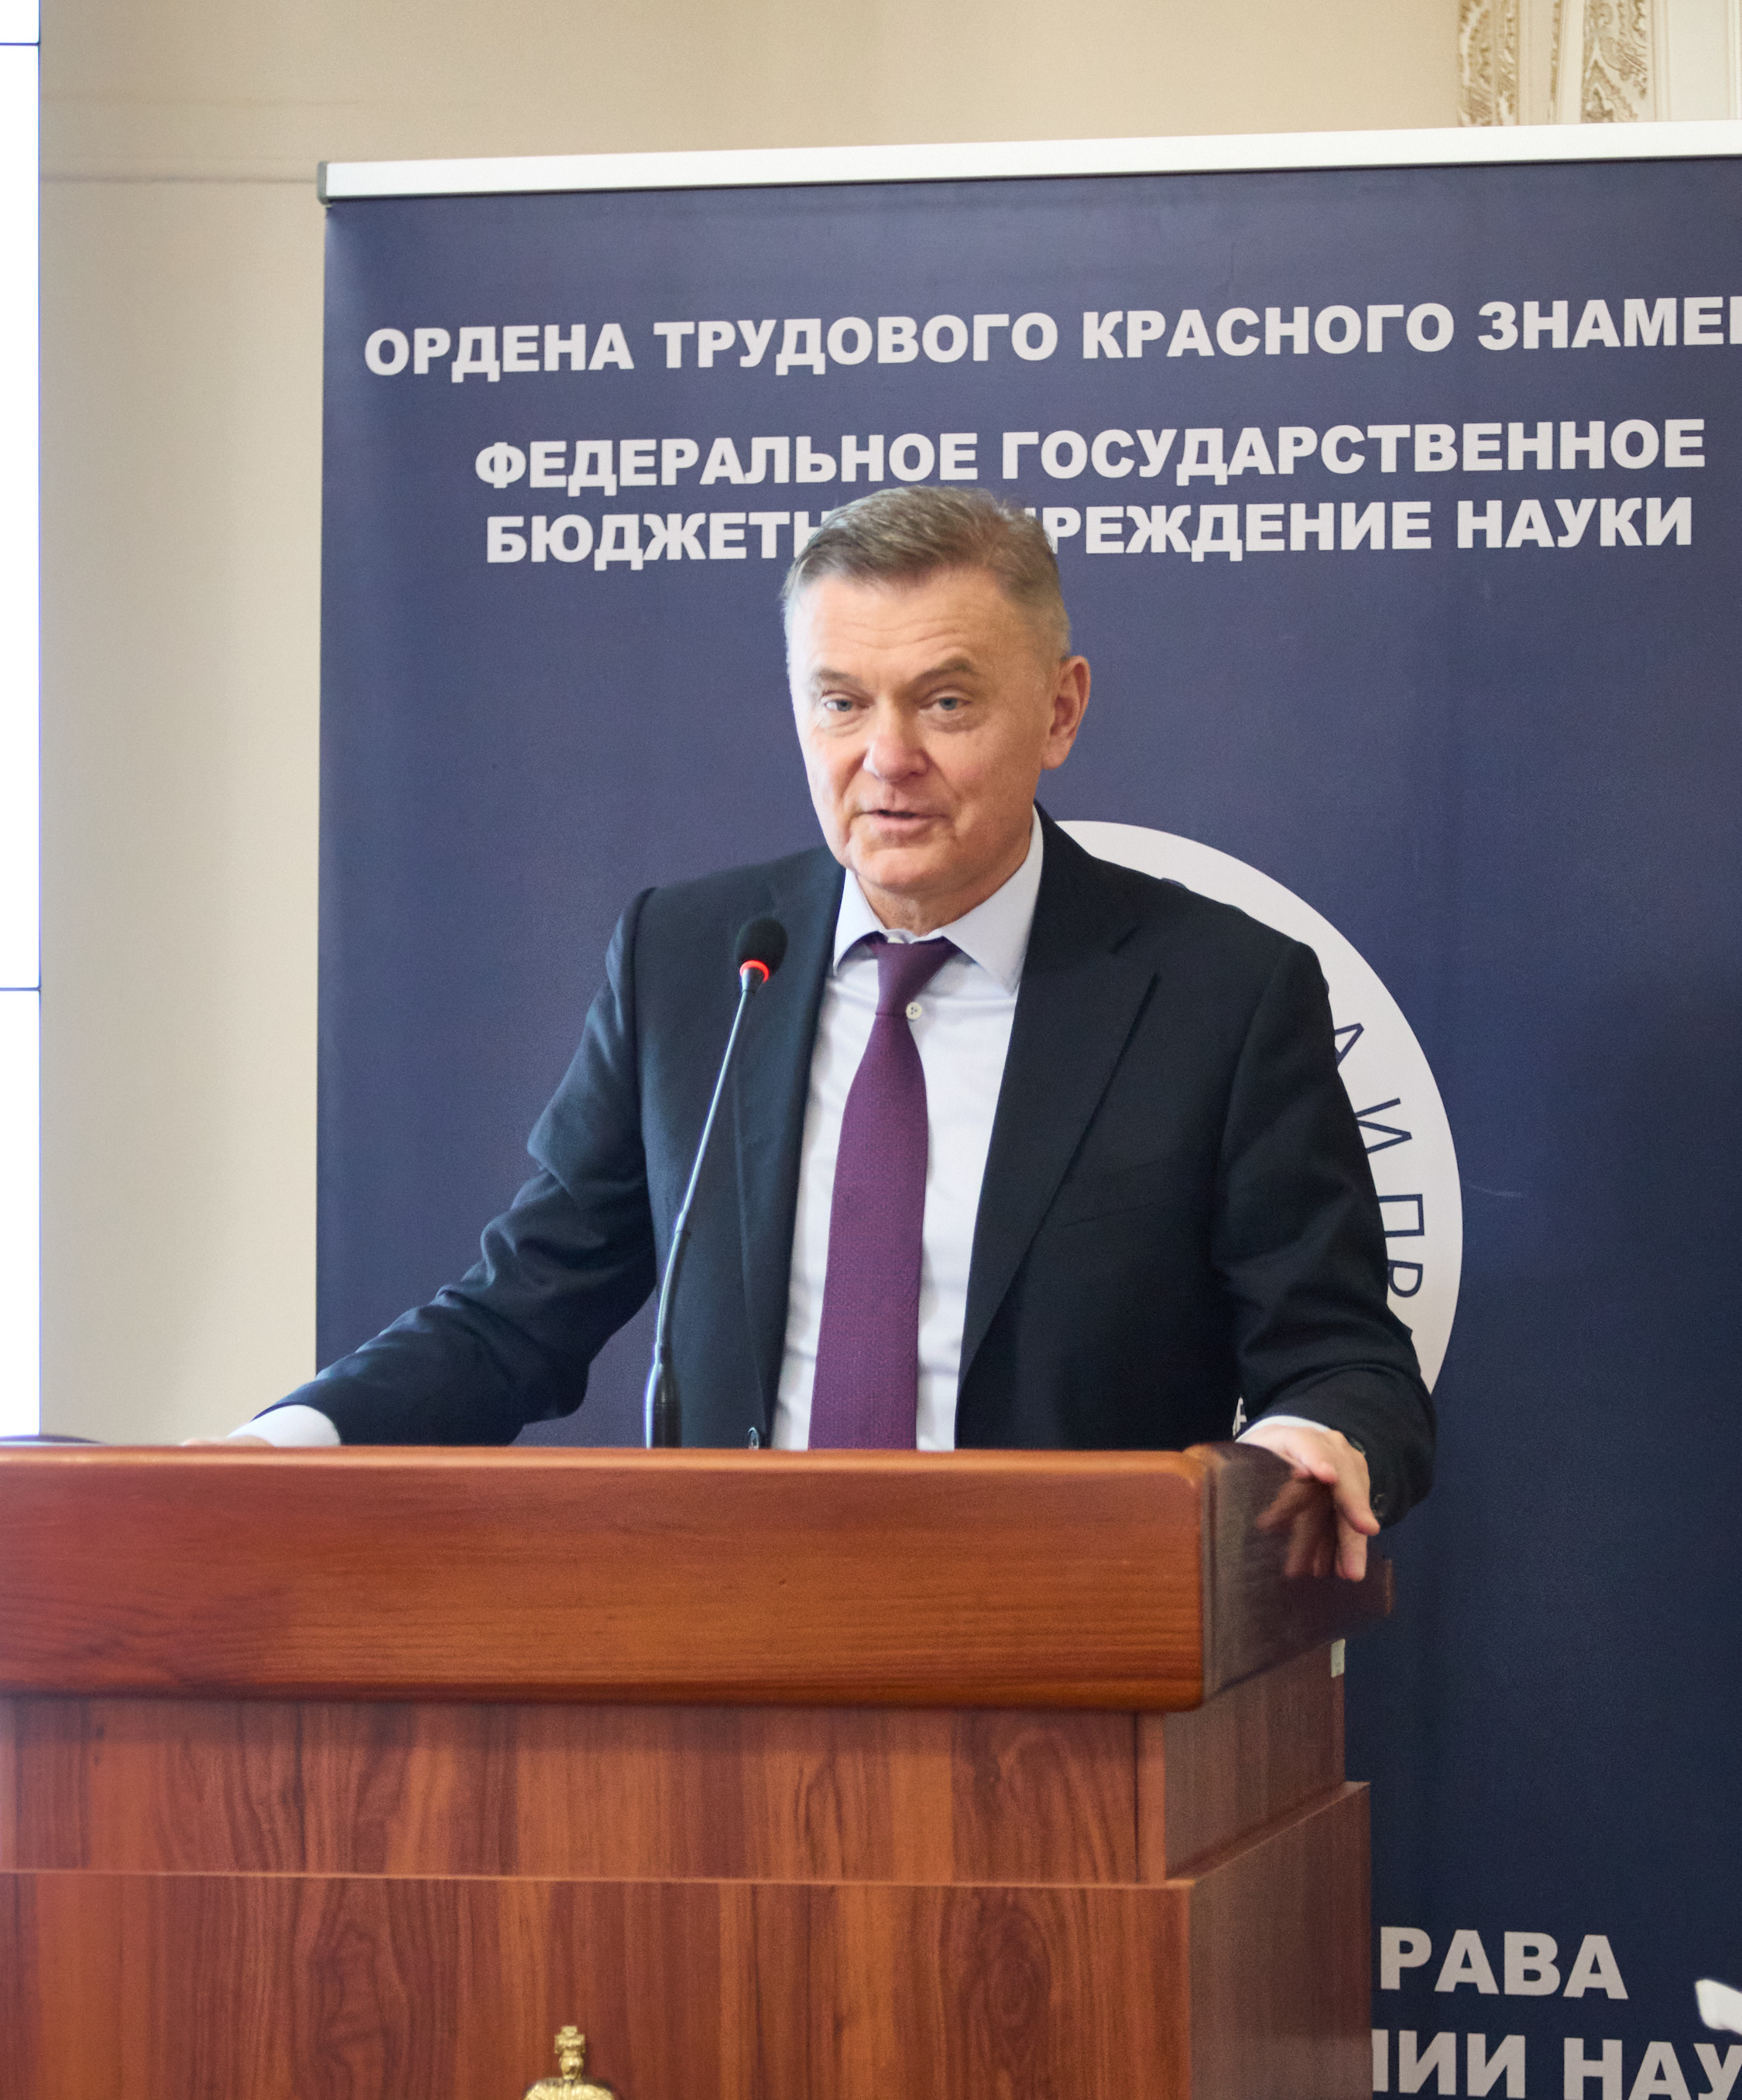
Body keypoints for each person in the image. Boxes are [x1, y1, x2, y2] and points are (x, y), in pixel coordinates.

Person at [221, 486, 1432, 1575]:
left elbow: (1342, 1361)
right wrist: (285, 1444)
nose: (886, 759)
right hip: (732, 1638)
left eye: (945, 702)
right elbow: (520, 1310)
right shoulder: (694, 961)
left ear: (1059, 711)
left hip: (1072, 1647)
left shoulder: (1218, 992)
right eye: (841, 703)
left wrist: (1308, 1439)